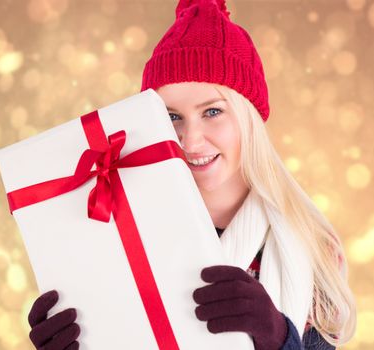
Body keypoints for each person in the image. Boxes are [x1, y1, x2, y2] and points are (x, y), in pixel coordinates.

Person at [26, 0, 357, 349]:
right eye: (171, 117)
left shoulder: (310, 247)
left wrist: (277, 336)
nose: (191, 140)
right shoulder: (121, 234)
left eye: (212, 111)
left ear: (249, 121)